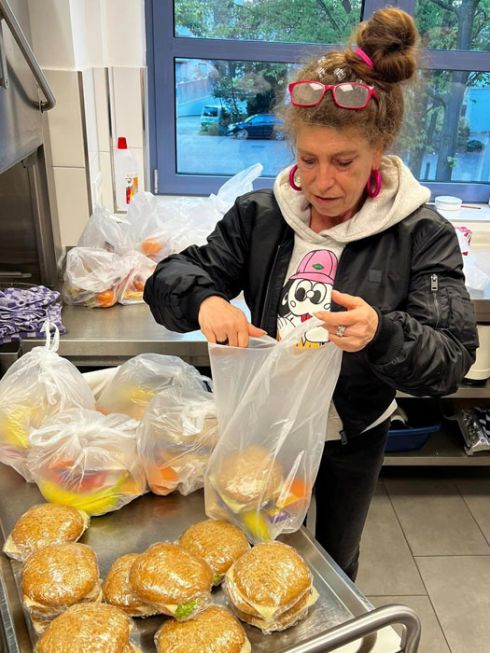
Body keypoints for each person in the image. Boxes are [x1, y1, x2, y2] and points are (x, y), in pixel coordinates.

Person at [144, 7, 478, 581]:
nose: (322, 182)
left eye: (344, 163)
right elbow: (170, 278)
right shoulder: (260, 216)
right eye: (307, 160)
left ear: (379, 150)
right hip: (266, 426)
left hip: (353, 431)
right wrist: (207, 300)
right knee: (253, 551)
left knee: (332, 559)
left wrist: (382, 332)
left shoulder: (421, 233)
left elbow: (451, 359)